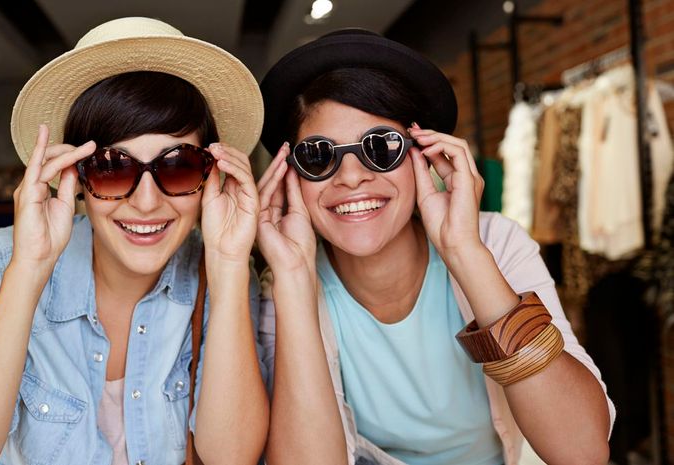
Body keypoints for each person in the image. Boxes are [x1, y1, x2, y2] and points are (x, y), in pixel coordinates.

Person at [0, 17, 269, 465]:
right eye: (112, 168)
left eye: (177, 166)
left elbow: (232, 458)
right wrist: (29, 269)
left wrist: (230, 264)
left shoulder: (223, 269)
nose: (146, 202)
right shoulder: (4, 258)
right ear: (76, 177)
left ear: (209, 176)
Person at [256, 29, 615, 465]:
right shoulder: (284, 281)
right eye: (318, 156)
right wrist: (293, 280)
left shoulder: (495, 244)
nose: (350, 178)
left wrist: (465, 253)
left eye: (380, 148)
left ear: (422, 157)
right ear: (291, 174)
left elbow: (582, 452)